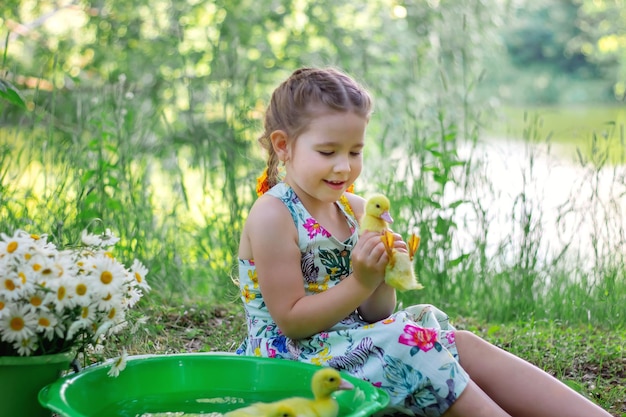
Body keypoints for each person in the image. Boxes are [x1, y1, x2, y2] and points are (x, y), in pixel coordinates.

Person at [235, 67, 611, 417]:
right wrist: (360, 281)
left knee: (456, 340)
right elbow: (292, 322)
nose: (344, 167)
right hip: (292, 361)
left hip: (350, 342)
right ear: (283, 146)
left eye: (355, 151)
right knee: (409, 342)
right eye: (327, 152)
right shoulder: (274, 214)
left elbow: (376, 314)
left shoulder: (357, 209)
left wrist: (382, 273)